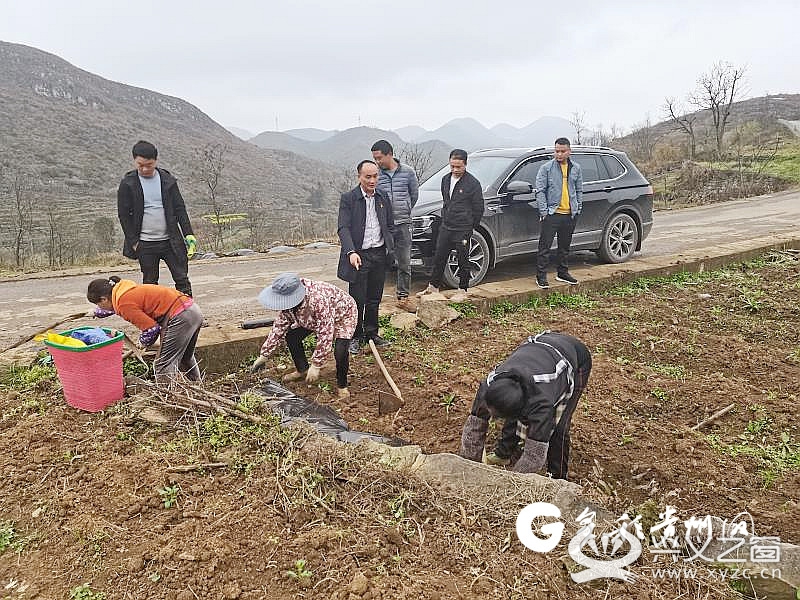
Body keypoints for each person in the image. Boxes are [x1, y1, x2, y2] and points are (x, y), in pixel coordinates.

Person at [459, 331, 592, 479]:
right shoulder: (489, 386)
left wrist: (512, 483)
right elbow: (474, 428)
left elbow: (534, 456)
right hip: (539, 344)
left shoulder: (541, 403)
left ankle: (557, 476)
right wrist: (469, 469)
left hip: (574, 358)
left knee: (559, 429)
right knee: (509, 404)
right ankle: (503, 453)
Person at [250, 273, 356, 400]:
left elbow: (325, 334)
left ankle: (342, 385)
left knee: (340, 351)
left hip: (343, 314)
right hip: (310, 317)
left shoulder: (318, 300)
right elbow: (279, 327)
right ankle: (302, 370)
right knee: (292, 337)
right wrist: (264, 355)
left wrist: (317, 364)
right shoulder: (288, 304)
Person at [87, 276, 202, 384]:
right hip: (192, 310)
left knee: (162, 364)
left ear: (104, 299)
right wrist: (96, 312)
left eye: (98, 304)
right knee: (185, 357)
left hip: (180, 317)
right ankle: (197, 385)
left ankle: (169, 397)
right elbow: (116, 308)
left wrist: (143, 342)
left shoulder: (123, 303)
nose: (99, 307)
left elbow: (151, 329)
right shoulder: (123, 291)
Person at [117, 140, 197, 296]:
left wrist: (188, 233)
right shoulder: (128, 183)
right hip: (145, 244)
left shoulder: (168, 180)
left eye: (149, 164)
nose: (145, 169)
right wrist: (134, 242)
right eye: (140, 165)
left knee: (182, 279)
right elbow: (124, 215)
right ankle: (155, 318)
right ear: (134, 160)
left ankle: (188, 314)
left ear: (156, 161)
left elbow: (180, 208)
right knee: (150, 283)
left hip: (170, 241)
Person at [337, 160, 395, 355]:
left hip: (378, 253)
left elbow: (389, 224)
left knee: (374, 298)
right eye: (367, 176)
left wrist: (389, 245)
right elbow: (343, 228)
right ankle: (355, 335)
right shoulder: (349, 199)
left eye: (375, 176)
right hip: (359, 255)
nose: (372, 180)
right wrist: (351, 252)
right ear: (359, 177)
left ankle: (372, 333)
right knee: (357, 299)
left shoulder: (382, 196)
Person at [416, 149, 483, 302]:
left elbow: (479, 208)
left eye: (458, 167)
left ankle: (463, 288)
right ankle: (433, 286)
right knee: (439, 256)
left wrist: (470, 226)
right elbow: (447, 202)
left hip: (463, 227)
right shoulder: (445, 179)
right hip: (447, 225)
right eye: (452, 166)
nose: (455, 170)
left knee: (463, 258)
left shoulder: (472, 183)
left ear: (465, 165)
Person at [371, 140, 419, 310]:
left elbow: (414, 196)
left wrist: (404, 210)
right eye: (375, 158)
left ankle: (403, 297)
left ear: (389, 154)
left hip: (403, 224)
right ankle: (375, 298)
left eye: (379, 158)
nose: (377, 162)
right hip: (383, 226)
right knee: (379, 262)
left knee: (404, 262)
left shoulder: (408, 173)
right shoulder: (376, 176)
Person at [535, 137, 583, 289]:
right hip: (552, 213)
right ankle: (541, 276)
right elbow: (540, 191)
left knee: (564, 247)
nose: (559, 154)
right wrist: (544, 211)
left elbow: (579, 189)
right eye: (557, 151)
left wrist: (578, 207)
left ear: (569, 151)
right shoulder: (546, 168)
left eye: (563, 151)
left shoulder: (576, 168)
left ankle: (562, 273)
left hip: (570, 214)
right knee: (545, 247)